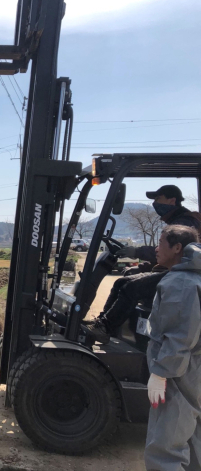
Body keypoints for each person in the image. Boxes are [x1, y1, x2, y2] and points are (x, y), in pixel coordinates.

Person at [87, 185, 201, 344]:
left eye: (157, 199)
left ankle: (105, 327)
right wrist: (141, 268)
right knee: (122, 281)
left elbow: (174, 256)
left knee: (132, 287)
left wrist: (136, 252)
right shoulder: (177, 220)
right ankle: (104, 326)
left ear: (172, 200)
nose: (154, 203)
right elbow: (166, 258)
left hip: (181, 276)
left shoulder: (184, 224)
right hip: (174, 272)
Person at [143, 225, 201, 471]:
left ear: (177, 248)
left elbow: (179, 337)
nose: (156, 248)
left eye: (161, 242)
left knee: (165, 448)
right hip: (190, 370)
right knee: (191, 438)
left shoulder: (180, 283)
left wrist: (160, 373)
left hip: (176, 374)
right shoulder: (191, 277)